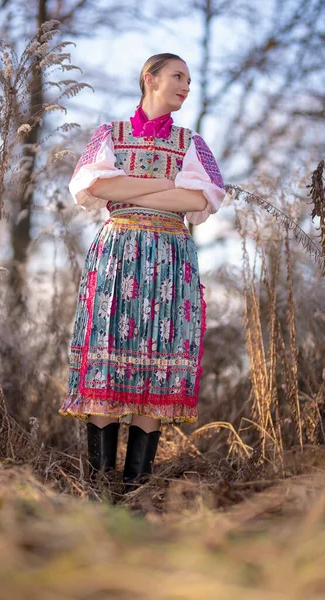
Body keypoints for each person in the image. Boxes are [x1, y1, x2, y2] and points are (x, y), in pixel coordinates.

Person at [59, 53, 226, 490]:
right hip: (116, 257)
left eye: (189, 80)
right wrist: (170, 185)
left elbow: (198, 201)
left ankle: (136, 490)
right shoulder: (108, 135)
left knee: (155, 363)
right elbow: (93, 187)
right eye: (178, 76)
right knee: (107, 358)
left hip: (170, 259)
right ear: (150, 79)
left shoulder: (192, 144)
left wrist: (132, 189)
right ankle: (100, 487)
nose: (186, 86)